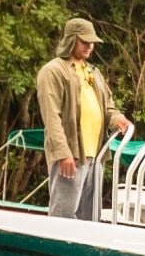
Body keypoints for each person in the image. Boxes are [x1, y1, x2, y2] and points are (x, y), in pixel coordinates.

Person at [35, 17, 133, 221]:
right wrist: (63, 153)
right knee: (64, 215)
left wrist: (118, 119)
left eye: (92, 42)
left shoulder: (93, 72)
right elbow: (51, 117)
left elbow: (108, 108)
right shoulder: (53, 71)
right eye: (84, 41)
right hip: (71, 153)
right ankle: (56, 251)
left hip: (95, 156)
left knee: (90, 217)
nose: (90, 46)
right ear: (71, 40)